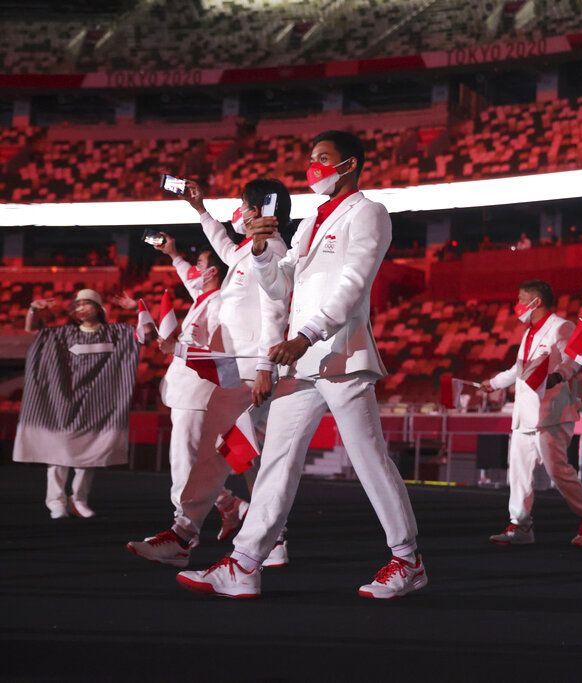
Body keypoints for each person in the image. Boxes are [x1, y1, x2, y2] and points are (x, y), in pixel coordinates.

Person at [177, 130, 424, 600]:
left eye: (323, 158)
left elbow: (354, 282)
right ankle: (245, 563)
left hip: (341, 356)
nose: (314, 166)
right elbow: (280, 284)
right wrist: (259, 253)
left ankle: (408, 558)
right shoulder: (310, 223)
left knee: (369, 460)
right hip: (302, 361)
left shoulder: (369, 213)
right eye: (311, 158)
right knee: (276, 461)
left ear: (349, 164)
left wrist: (305, 334)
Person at [126, 180, 291, 568]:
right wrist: (199, 209)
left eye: (245, 205)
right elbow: (225, 248)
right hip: (238, 369)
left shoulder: (272, 252)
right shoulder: (247, 253)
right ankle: (188, 534)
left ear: (262, 210)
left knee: (241, 452)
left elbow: (274, 311)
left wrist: (266, 367)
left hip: (253, 369)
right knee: (235, 453)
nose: (240, 212)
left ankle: (201, 535)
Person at [481, 280, 582, 547]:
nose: (518, 304)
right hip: (525, 413)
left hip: (552, 412)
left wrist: (558, 375)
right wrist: (494, 383)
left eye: (521, 298)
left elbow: (573, 360)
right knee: (519, 471)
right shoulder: (529, 334)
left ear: (536, 302)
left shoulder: (562, 327)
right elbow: (519, 369)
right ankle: (520, 525)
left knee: (557, 471)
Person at [14, 289, 141, 518]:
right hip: (63, 402)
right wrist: (33, 309)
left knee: (90, 454)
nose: (81, 308)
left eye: (87, 303)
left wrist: (139, 308)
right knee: (57, 453)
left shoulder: (116, 334)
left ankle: (79, 499)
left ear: (99, 308)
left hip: (97, 403)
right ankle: (56, 501)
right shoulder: (63, 334)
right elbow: (32, 329)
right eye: (78, 304)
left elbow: (148, 334)